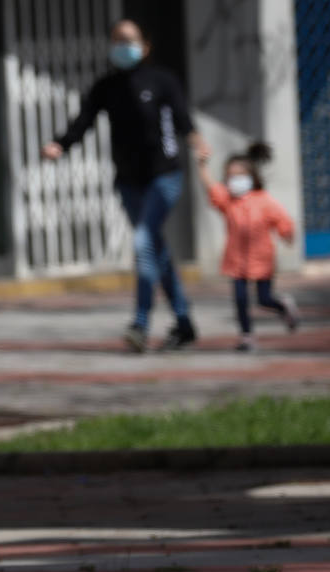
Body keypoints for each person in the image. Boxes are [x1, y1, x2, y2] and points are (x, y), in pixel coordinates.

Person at [42, 19, 208, 353]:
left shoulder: (162, 80)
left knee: (144, 241)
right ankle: (184, 321)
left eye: (129, 40)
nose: (122, 46)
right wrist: (61, 145)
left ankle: (141, 324)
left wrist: (196, 142)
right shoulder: (107, 86)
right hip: (128, 181)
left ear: (145, 46)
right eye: (117, 40)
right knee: (155, 249)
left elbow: (181, 118)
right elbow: (84, 120)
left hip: (165, 176)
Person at [197, 142, 299, 351]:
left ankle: (283, 306)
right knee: (240, 299)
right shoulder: (229, 201)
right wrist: (202, 164)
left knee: (264, 299)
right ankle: (247, 336)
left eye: (239, 175)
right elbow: (211, 187)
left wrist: (287, 234)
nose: (235, 181)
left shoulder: (264, 201)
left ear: (251, 176)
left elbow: (282, 221)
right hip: (237, 260)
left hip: (261, 259)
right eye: (230, 176)